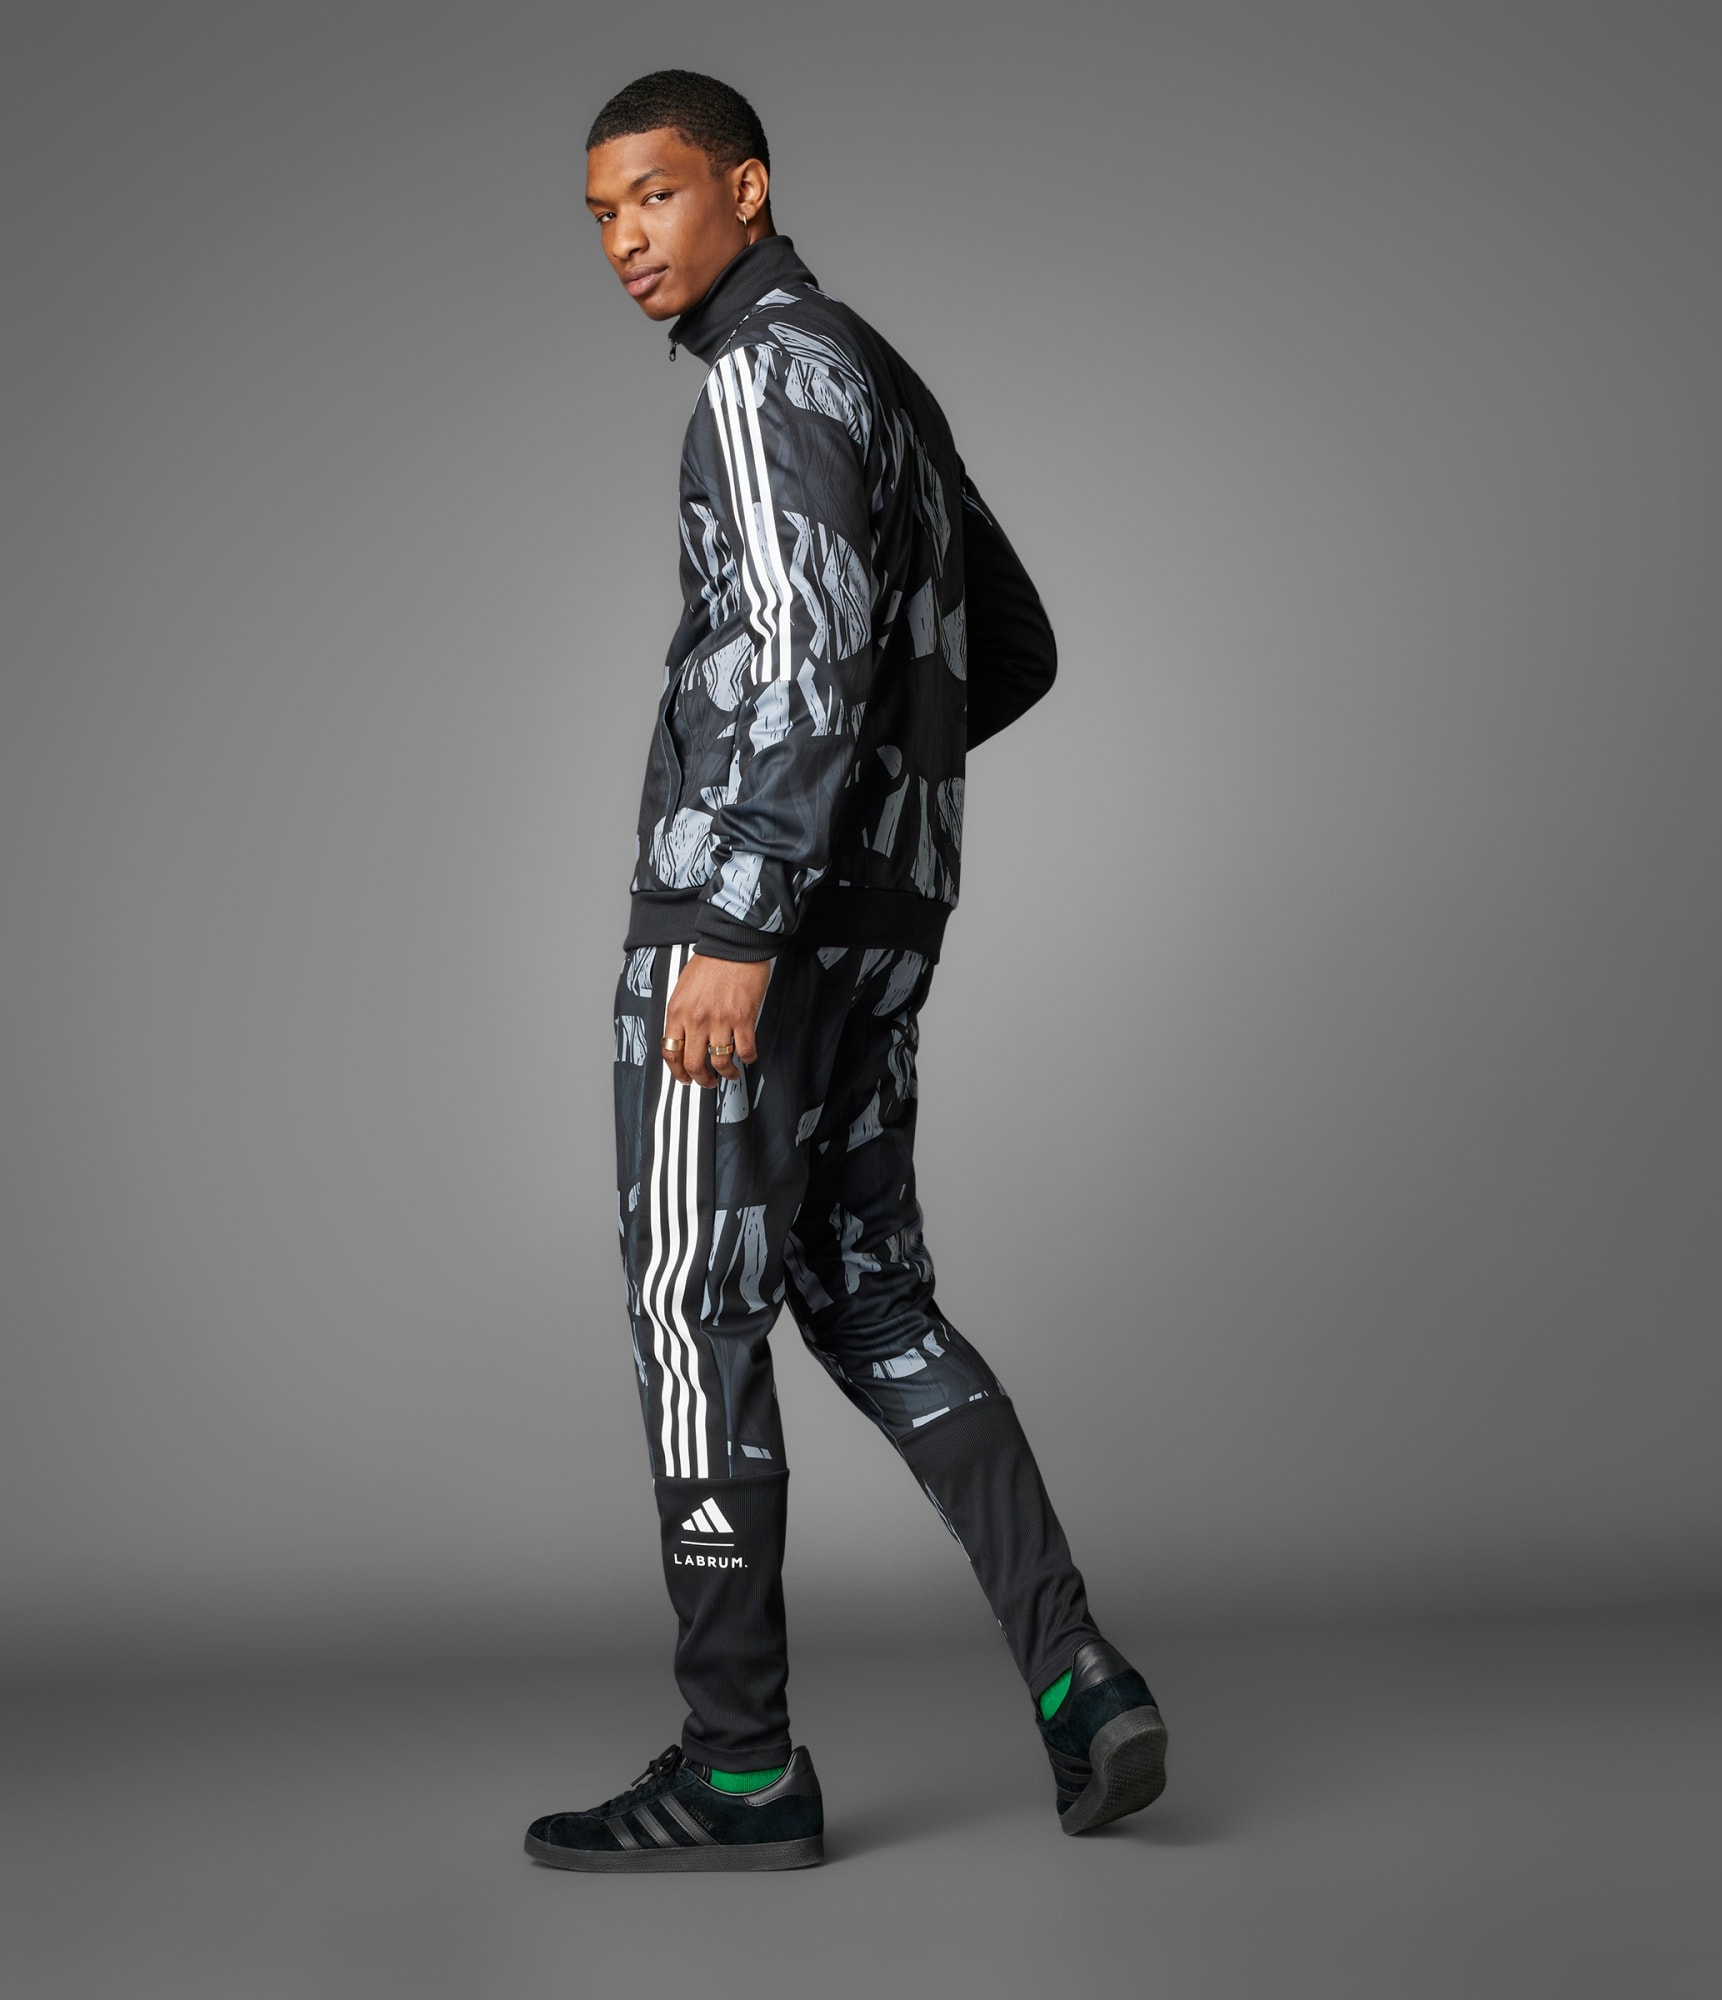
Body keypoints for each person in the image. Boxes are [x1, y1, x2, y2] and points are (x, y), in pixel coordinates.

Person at [525, 69, 1166, 1873]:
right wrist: (879, 822)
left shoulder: (755, 377)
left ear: (745, 188)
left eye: (655, 196)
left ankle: (738, 1773)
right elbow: (1008, 645)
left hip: (752, 922)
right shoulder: (878, 375)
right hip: (885, 920)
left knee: (693, 1310)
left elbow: (807, 643)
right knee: (871, 1299)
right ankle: (1082, 1681)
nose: (626, 239)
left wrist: (741, 918)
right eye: (601, 214)